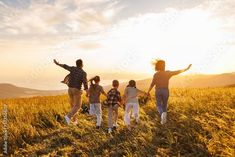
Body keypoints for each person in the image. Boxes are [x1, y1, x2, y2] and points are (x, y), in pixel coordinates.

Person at [147, 60, 192, 124]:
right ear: (164, 66)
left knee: (159, 105)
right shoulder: (168, 73)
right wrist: (187, 69)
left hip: (158, 91)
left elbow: (152, 84)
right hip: (165, 90)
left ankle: (162, 114)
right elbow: (178, 71)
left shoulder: (156, 74)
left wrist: (148, 91)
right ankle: (164, 119)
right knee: (165, 105)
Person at [53, 59, 88, 125]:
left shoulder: (73, 69)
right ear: (82, 64)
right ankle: (67, 117)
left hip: (70, 89)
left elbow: (65, 66)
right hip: (76, 90)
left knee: (73, 107)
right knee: (77, 106)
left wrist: (58, 64)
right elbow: (85, 84)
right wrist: (87, 92)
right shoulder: (83, 73)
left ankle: (75, 121)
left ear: (76, 64)